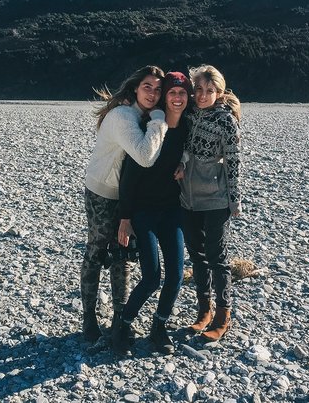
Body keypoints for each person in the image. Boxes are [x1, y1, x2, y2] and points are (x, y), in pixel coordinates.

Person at [81, 65, 168, 342]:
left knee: (124, 254)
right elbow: (144, 155)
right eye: (147, 87)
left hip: (126, 197)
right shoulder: (123, 117)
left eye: (157, 89)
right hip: (102, 193)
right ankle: (89, 317)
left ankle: (120, 315)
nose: (153, 93)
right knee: (96, 250)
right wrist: (159, 121)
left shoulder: (138, 115)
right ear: (134, 88)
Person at [111, 72, 192, 355]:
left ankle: (159, 326)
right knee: (151, 277)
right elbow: (129, 177)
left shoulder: (188, 127)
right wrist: (125, 217)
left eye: (183, 93)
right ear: (164, 97)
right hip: (143, 211)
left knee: (177, 274)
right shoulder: (148, 126)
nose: (178, 98)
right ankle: (123, 324)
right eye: (172, 93)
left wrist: (186, 163)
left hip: (171, 210)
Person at [179, 64, 242, 342]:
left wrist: (234, 200)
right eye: (199, 90)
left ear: (219, 92)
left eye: (209, 91)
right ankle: (204, 310)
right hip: (187, 198)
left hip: (215, 199)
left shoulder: (226, 120)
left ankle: (223, 316)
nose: (203, 95)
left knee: (218, 258)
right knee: (197, 256)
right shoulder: (189, 114)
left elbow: (233, 161)